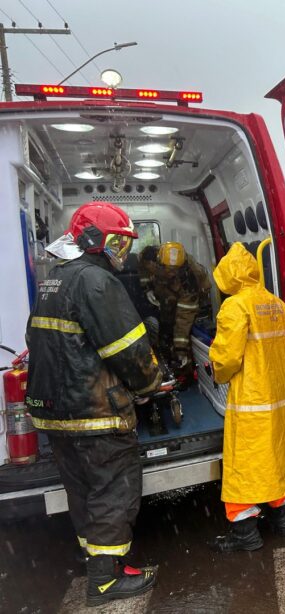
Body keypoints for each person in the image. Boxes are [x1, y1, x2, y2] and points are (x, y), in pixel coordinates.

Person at [25, 202, 162, 607]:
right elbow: (130, 350)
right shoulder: (97, 283)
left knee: (83, 491)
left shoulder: (55, 280)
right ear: (92, 240)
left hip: (56, 414)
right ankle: (104, 581)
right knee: (114, 490)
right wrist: (152, 382)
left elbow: (38, 343)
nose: (121, 250)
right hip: (95, 413)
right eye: (117, 241)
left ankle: (98, 561)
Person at [208, 241, 285, 552]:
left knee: (244, 463)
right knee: (277, 456)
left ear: (228, 276)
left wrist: (215, 373)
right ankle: (284, 520)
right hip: (280, 398)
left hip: (251, 399)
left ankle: (246, 534)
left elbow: (226, 358)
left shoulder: (235, 306)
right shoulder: (276, 303)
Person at [138, 241, 211, 374]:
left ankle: (185, 370)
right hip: (167, 291)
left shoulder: (190, 279)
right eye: (168, 269)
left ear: (181, 267)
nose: (171, 273)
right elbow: (143, 266)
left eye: (174, 270)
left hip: (189, 298)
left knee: (182, 333)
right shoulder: (151, 256)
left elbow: (183, 318)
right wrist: (147, 288)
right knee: (166, 327)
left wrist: (180, 350)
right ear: (159, 261)